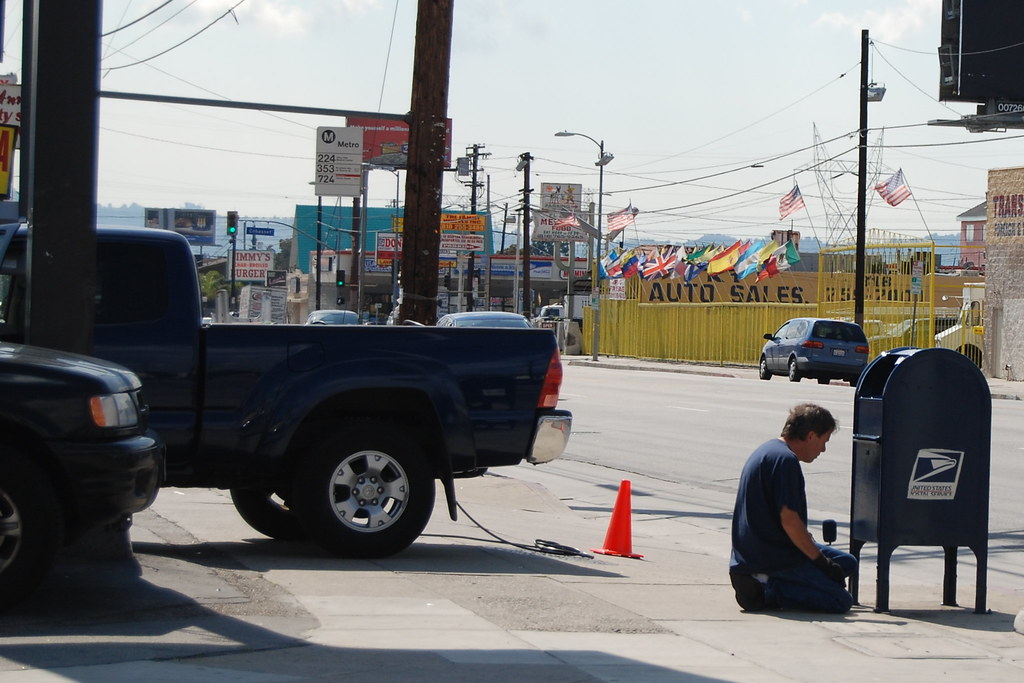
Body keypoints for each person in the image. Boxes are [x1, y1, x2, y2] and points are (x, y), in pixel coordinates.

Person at [729, 403, 857, 613]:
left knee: (847, 563)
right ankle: (764, 587)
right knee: (840, 601)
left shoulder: (769, 450)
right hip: (768, 560)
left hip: (764, 550)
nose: (823, 450)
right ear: (811, 436)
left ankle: (789, 582)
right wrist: (821, 563)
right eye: (824, 441)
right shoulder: (785, 461)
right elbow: (790, 521)